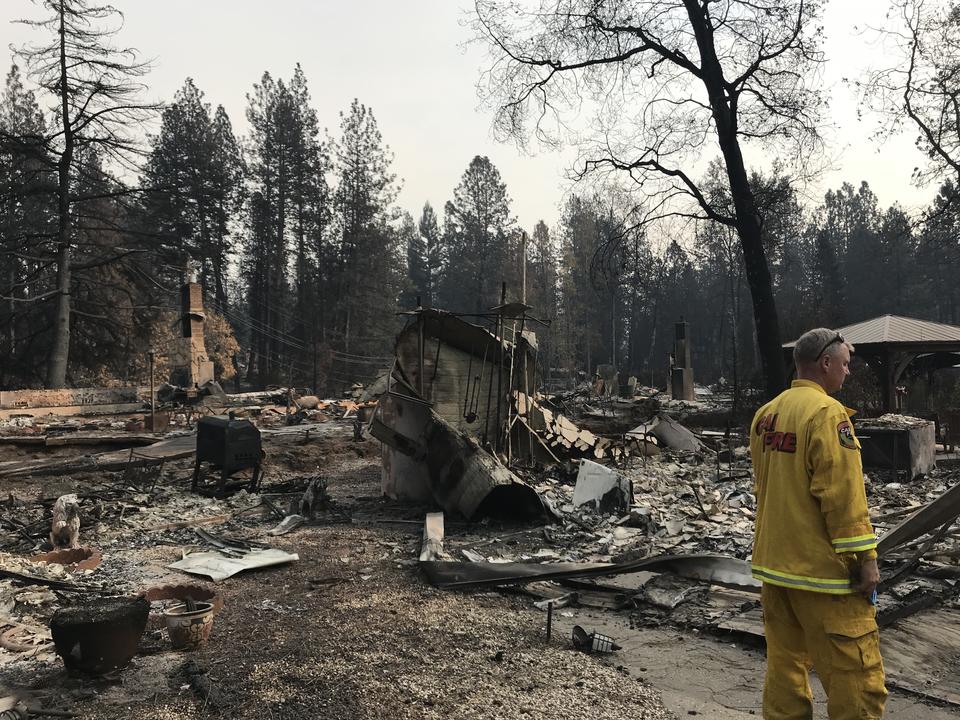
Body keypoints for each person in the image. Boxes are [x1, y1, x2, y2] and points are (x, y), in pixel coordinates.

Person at [750, 328, 887, 719]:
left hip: (775, 571)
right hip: (822, 575)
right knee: (857, 680)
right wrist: (866, 558)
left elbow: (768, 484)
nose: (847, 372)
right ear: (825, 364)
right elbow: (842, 495)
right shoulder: (827, 414)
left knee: (785, 677)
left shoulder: (766, 415)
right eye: (844, 364)